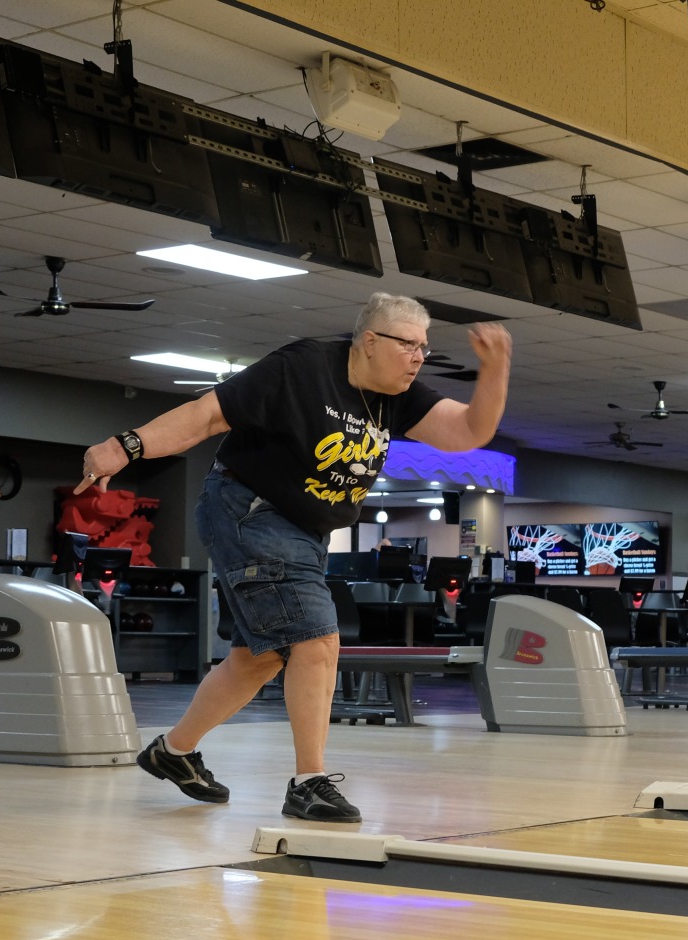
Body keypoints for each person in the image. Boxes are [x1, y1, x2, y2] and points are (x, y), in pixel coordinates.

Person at [75, 293, 511, 823]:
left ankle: (174, 750)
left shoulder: (397, 396)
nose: (419, 357)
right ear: (369, 341)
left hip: (305, 531)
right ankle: (309, 782)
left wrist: (495, 370)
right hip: (250, 509)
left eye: (424, 346)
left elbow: (469, 432)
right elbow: (207, 416)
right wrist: (127, 446)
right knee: (316, 640)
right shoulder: (303, 368)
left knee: (260, 657)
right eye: (409, 345)